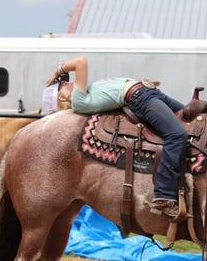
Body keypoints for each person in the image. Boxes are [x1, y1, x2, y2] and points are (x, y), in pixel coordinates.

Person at [46, 55, 187, 219]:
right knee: (177, 135)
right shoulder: (78, 100)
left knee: (191, 118)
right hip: (140, 97)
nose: (69, 83)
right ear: (62, 97)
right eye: (63, 85)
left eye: (66, 81)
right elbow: (81, 61)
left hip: (148, 93)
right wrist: (58, 71)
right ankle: (164, 194)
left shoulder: (89, 91)